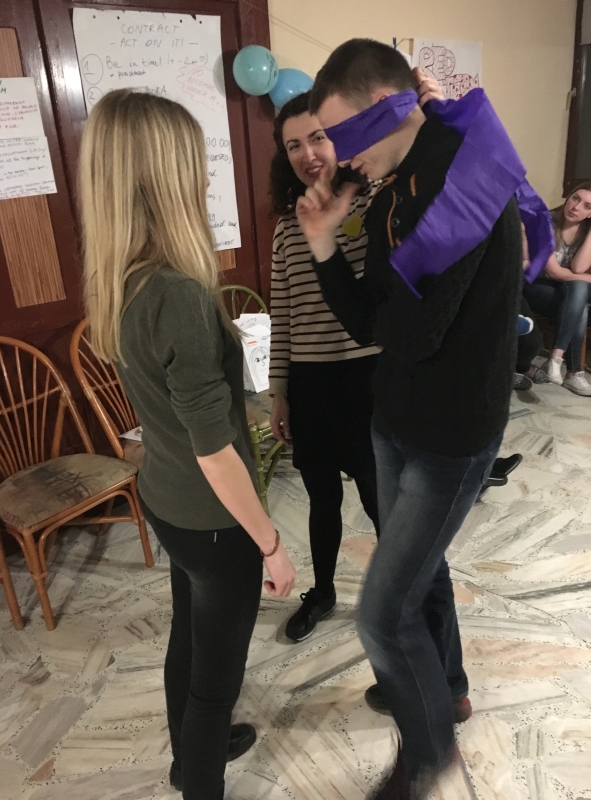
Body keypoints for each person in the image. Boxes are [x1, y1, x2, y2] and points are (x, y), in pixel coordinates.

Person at [296, 40, 528, 798]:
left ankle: (430, 758)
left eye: (341, 134)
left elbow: (411, 333)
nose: (336, 156)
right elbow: (375, 322)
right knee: (420, 574)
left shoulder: (463, 178)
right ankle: (445, 690)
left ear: (384, 107)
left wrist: (343, 256)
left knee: (382, 615)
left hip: (451, 434)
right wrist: (325, 244)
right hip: (395, 416)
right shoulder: (395, 182)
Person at [78, 89, 296, 800]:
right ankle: (200, 776)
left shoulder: (120, 279)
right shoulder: (177, 293)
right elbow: (214, 450)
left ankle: (188, 756)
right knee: (216, 680)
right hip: (211, 517)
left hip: (166, 499)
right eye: (195, 164)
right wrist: (269, 543)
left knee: (190, 635)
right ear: (165, 177)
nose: (204, 178)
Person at [268, 72, 448, 643]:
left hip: (368, 379)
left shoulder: (376, 203)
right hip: (311, 385)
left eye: (317, 138)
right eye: (293, 145)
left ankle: (399, 599)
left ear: (339, 138)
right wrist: (279, 391)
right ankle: (321, 593)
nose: (307, 154)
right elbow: (283, 315)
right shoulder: (285, 229)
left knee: (381, 501)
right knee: (321, 500)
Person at [523, 182, 591, 395]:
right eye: (575, 198)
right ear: (568, 198)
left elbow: (578, 267)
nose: (576, 207)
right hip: (534, 286)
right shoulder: (547, 222)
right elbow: (554, 272)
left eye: (587, 206)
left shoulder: (585, 232)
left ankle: (556, 359)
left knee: (579, 292)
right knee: (580, 301)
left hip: (563, 292)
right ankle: (573, 373)